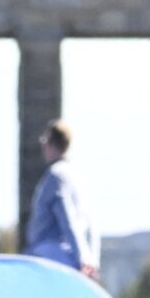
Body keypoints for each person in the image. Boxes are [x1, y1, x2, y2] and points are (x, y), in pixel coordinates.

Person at [24, 119, 100, 277]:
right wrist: (91, 259)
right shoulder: (78, 176)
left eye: (44, 141)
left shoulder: (55, 175)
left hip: (51, 258)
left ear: (51, 144)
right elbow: (91, 222)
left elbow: (67, 217)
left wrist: (83, 258)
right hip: (74, 259)